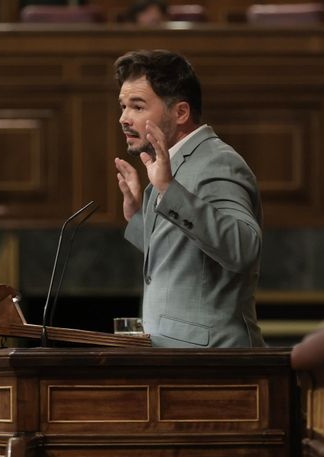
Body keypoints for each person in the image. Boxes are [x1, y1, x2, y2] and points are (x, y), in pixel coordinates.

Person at [113, 50, 264, 348]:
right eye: (122, 106)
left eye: (137, 106)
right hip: (179, 362)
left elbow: (243, 248)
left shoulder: (217, 162)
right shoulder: (171, 163)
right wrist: (136, 217)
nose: (123, 118)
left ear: (181, 113)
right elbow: (188, 256)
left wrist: (169, 190)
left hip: (213, 364)